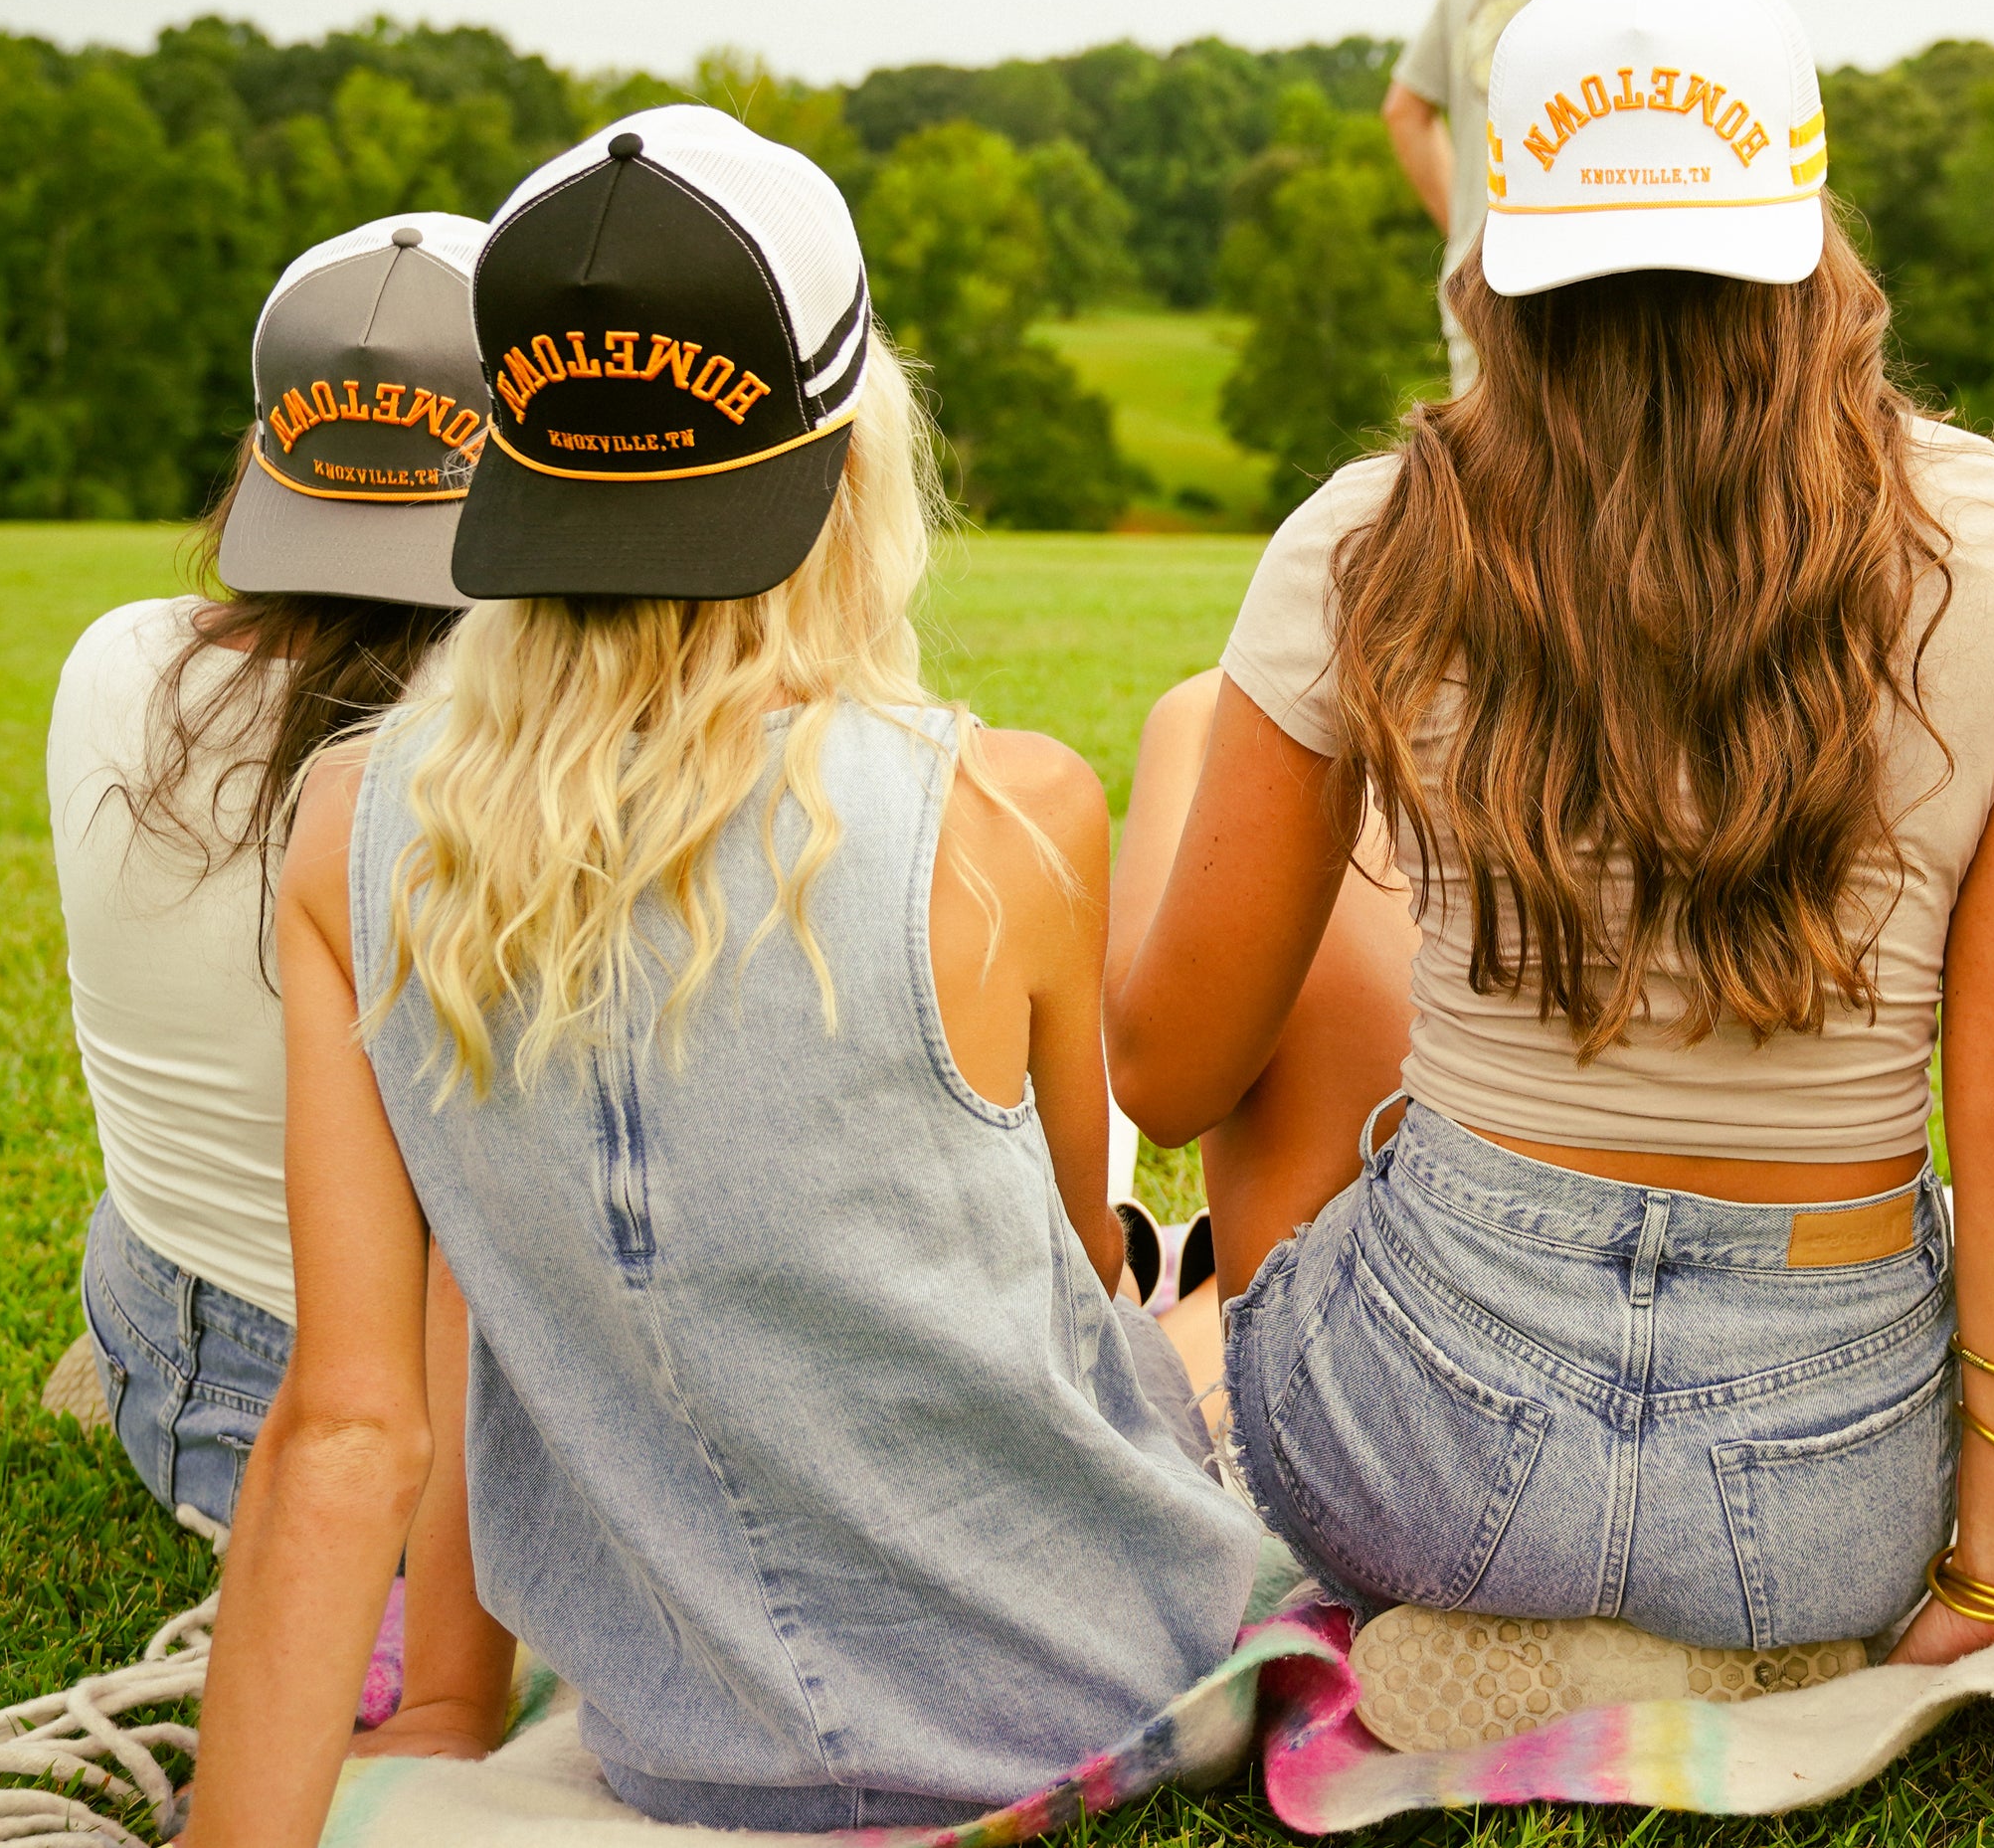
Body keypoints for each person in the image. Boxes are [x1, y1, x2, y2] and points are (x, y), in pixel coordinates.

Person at [191, 109, 1261, 1841]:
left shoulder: (346, 829)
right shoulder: (1009, 809)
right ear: (850, 457)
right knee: (1207, 1308)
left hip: (679, 1738)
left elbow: (346, 1426)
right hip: (1095, 1681)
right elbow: (1067, 1276)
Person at [1110, 0, 1994, 1745]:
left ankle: (1462, 1598)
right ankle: (1729, 1647)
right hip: (1828, 1503)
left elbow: (1175, 1072)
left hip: (1423, 1454)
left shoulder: (1364, 545)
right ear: (1811, 226)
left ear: (1497, 248)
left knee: (1215, 734)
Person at [48, 213, 490, 1526]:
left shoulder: (113, 654)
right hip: (427, 1442)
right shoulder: (521, 733)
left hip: (179, 1375)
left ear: (264, 444)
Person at [1382, 0, 1665, 393]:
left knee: (1487, 483)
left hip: (1478, 286)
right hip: (1594, 305)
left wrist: (1467, 225)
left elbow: (1404, 111)